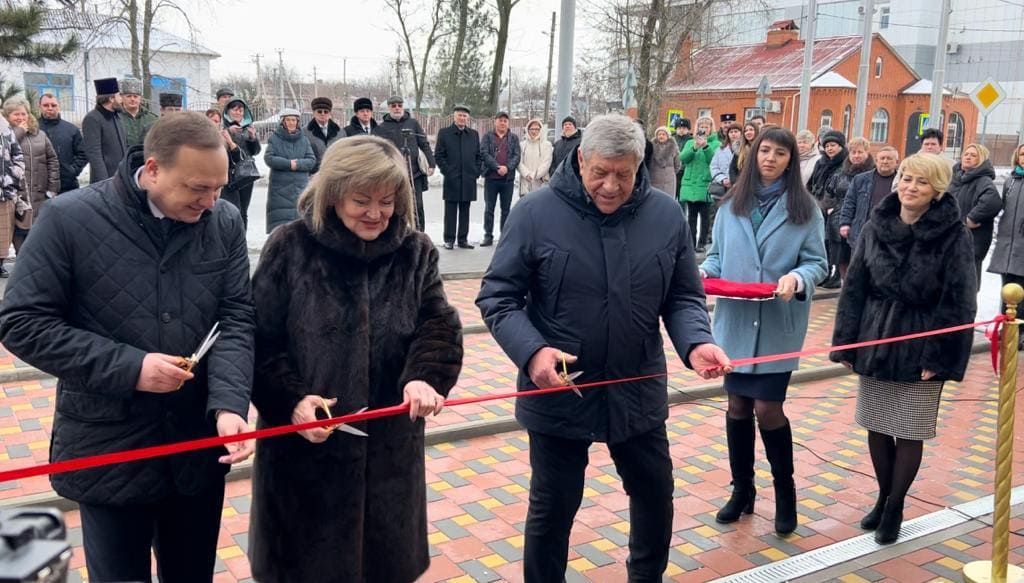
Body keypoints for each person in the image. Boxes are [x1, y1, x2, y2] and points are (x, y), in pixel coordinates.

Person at [0, 112, 255, 581]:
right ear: (153, 169)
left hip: (195, 448)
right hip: (109, 447)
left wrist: (228, 404)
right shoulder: (69, 218)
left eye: (219, 187)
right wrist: (131, 368)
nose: (212, 201)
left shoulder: (224, 221)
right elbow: (21, 323)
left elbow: (236, 318)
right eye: (198, 188)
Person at [477, 114, 731, 582]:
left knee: (655, 495)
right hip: (560, 392)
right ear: (580, 159)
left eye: (624, 173)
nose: (611, 186)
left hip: (638, 387)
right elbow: (498, 297)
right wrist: (533, 353)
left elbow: (683, 296)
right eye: (601, 172)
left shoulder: (665, 214)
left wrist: (696, 342)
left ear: (639, 166)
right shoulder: (534, 214)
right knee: (553, 508)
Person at [247, 135, 463, 582]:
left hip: (389, 457)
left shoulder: (414, 250)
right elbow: (258, 340)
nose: (375, 213)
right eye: (361, 200)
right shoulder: (290, 247)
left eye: (386, 202)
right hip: (303, 464)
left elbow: (438, 325)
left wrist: (424, 377)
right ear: (332, 195)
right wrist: (293, 401)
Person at [830, 153, 976, 545]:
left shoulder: (953, 234)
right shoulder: (878, 223)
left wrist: (939, 355)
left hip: (922, 342)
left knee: (908, 430)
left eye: (921, 182)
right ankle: (883, 497)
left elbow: (960, 299)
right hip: (876, 338)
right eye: (907, 179)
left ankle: (896, 508)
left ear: (937, 190)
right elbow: (855, 285)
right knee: (876, 425)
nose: (910, 187)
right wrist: (847, 343)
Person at [700, 127, 827, 536]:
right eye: (764, 151)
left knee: (767, 409)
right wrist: (703, 272)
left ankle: (785, 494)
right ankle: (743, 491)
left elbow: (817, 264)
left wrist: (797, 277)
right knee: (737, 405)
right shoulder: (730, 206)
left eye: (780, 153)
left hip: (777, 326)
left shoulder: (805, 209)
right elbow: (717, 258)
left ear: (792, 160)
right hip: (734, 324)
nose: (770, 159)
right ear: (752, 155)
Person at [3, 97, 58, 253]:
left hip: (39, 194)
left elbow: (52, 160)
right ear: (7, 117)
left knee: (37, 234)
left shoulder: (40, 135)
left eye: (24, 114)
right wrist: (19, 132)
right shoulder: (4, 136)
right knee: (17, 233)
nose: (21, 118)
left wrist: (52, 187)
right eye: (16, 114)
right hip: (16, 195)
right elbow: (6, 150)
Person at [373, 96, 435, 232]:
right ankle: (396, 235)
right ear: (388, 108)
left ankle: (419, 234)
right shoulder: (381, 128)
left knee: (417, 206)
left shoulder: (413, 123)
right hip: (393, 174)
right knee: (395, 207)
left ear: (403, 107)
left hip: (415, 174)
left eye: (399, 105)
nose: (397, 108)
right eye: (393, 105)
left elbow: (424, 143)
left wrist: (431, 163)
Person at [821, 137, 874, 288]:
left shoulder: (872, 173)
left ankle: (856, 283)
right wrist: (830, 207)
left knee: (857, 253)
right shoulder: (841, 172)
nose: (856, 155)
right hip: (838, 216)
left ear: (867, 153)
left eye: (860, 152)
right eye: (853, 152)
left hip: (861, 218)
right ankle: (840, 278)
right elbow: (829, 191)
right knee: (839, 252)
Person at [948, 143, 1002, 285]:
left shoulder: (983, 180)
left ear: (981, 160)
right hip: (951, 237)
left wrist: (972, 218)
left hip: (972, 240)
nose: (968, 157)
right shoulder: (956, 178)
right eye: (966, 154)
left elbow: (992, 201)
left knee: (967, 284)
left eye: (973, 155)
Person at [434, 104, 481, 249]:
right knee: (450, 211)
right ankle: (449, 239)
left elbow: (478, 155)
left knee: (465, 211)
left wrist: (476, 171)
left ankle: (462, 239)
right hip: (452, 178)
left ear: (468, 118)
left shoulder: (473, 134)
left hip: (468, 178)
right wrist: (447, 171)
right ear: (454, 117)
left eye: (465, 116)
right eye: (459, 115)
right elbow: (439, 155)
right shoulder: (445, 133)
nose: (462, 118)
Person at [264, 108, 316, 233]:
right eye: (288, 120)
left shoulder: (304, 140)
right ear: (283, 121)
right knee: (281, 228)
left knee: (299, 228)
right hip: (279, 189)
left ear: (298, 122)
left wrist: (297, 164)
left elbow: (311, 160)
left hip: (300, 187)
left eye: (294, 120)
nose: (291, 122)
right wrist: (288, 164)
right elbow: (269, 158)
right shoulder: (274, 139)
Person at [807, 130, 847, 288]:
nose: (830, 149)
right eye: (827, 145)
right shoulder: (821, 162)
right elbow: (812, 182)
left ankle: (835, 274)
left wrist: (831, 205)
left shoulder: (845, 163)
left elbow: (842, 188)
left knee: (833, 242)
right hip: (818, 204)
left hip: (834, 207)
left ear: (841, 146)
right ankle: (824, 272)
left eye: (833, 145)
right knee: (821, 241)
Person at [840, 146, 899, 250]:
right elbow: (849, 202)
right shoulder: (860, 179)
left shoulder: (902, 182)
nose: (885, 161)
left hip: (890, 233)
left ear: (896, 162)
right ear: (876, 161)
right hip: (862, 231)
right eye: (882, 158)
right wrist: (845, 223)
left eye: (889, 159)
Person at [988, 144, 1024, 307]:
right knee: (1006, 291)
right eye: (1022, 154)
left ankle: (1020, 330)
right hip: (1007, 246)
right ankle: (1006, 327)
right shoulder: (1010, 181)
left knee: (1020, 292)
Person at [479, 111, 521, 247]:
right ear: (495, 121)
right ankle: (488, 236)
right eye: (500, 120)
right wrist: (497, 167)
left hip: (507, 180)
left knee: (506, 210)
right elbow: (484, 153)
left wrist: (507, 168)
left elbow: (516, 155)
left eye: (505, 121)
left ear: (508, 123)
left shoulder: (513, 138)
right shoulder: (487, 137)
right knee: (489, 209)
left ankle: (504, 237)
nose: (503, 123)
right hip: (491, 179)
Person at [679, 116, 718, 253]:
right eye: (701, 126)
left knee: (705, 214)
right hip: (691, 183)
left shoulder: (715, 143)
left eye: (706, 127)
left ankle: (701, 242)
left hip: (705, 182)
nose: (703, 129)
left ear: (710, 129)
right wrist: (694, 147)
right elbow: (682, 158)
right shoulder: (690, 142)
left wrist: (706, 147)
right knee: (691, 215)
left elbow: (713, 161)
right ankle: (691, 242)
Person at [220, 97, 261, 227]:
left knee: (243, 211)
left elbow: (255, 151)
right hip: (228, 174)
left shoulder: (247, 128)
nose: (238, 113)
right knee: (231, 209)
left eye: (241, 110)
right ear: (228, 111)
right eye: (235, 110)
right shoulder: (222, 128)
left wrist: (253, 138)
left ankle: (242, 240)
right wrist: (228, 133)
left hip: (245, 174)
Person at [38, 93, 87, 194]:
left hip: (67, 186)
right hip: (40, 187)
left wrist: (72, 171)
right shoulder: (33, 129)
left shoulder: (71, 129)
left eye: (53, 105)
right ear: (40, 107)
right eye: (46, 105)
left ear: (59, 107)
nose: (50, 108)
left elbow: (83, 154)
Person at [82, 77, 127, 182]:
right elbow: (94, 154)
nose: (121, 99)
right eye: (119, 95)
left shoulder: (117, 117)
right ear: (111, 98)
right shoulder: (92, 118)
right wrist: (105, 182)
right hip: (105, 181)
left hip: (120, 178)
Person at [0, 114, 23, 278]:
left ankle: (0, 263)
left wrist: (15, 173)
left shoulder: (5, 128)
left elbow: (17, 153)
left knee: (4, 230)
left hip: (5, 190)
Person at [305, 96, 342, 171]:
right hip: (313, 174)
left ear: (330, 113)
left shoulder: (340, 132)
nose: (322, 114)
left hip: (334, 172)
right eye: (319, 111)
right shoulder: (304, 132)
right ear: (314, 113)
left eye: (326, 111)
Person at [120, 78, 158, 148]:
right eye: (128, 96)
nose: (132, 99)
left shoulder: (152, 119)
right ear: (122, 97)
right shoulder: (116, 118)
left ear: (140, 98)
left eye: (135, 96)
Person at [519, 118, 553, 195]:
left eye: (537, 129)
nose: (534, 131)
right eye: (532, 129)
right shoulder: (522, 145)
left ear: (541, 130)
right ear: (528, 129)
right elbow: (519, 162)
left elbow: (547, 163)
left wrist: (533, 175)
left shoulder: (547, 145)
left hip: (540, 182)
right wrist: (527, 174)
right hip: (525, 181)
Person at [650, 125, 681, 196]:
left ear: (668, 136)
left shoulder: (673, 147)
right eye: (659, 134)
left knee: (667, 199)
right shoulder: (652, 147)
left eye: (663, 134)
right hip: (654, 178)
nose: (661, 136)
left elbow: (677, 164)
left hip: (668, 180)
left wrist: (670, 172)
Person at [673, 118, 693, 199]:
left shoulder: (692, 140)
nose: (681, 130)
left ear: (688, 129)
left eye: (684, 128)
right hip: (674, 172)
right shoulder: (671, 139)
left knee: (683, 198)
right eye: (679, 128)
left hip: (686, 172)